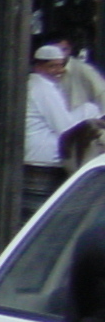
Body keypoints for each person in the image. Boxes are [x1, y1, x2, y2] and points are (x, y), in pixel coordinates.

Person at [22, 42, 102, 216]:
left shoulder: (41, 85)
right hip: (41, 157)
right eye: (53, 66)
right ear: (39, 66)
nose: (58, 71)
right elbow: (65, 127)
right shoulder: (41, 87)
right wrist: (90, 112)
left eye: (61, 65)